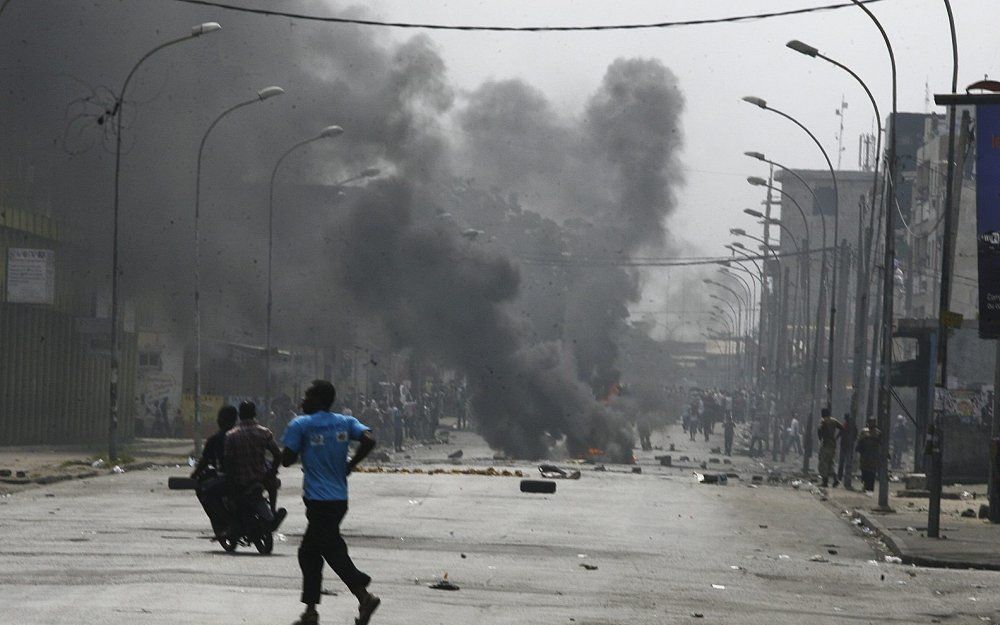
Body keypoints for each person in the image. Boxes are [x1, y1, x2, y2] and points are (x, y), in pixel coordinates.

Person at [282, 380, 380, 625]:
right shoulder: (345, 421)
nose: (303, 400)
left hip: (318, 501)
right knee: (313, 552)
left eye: (307, 396)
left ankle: (361, 590)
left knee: (323, 551)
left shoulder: (300, 424)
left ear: (317, 399)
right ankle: (312, 612)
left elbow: (286, 459)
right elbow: (368, 439)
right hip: (338, 499)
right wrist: (350, 464)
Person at [225, 401, 284, 519]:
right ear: (254, 414)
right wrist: (272, 472)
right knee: (273, 485)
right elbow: (277, 455)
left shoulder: (232, 435)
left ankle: (234, 520)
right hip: (261, 478)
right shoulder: (264, 432)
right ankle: (272, 509)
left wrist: (230, 478)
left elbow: (228, 461)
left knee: (228, 498)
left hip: (240, 480)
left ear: (239, 415)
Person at [191, 405, 237, 539]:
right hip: (248, 477)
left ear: (221, 420)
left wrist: (194, 475)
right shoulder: (241, 434)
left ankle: (226, 521)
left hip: (228, 477)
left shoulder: (217, 438)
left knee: (206, 493)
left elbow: (205, 460)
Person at [817, 408, 842, 488]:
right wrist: (836, 437)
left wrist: (820, 438)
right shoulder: (834, 421)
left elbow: (820, 430)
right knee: (830, 463)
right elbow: (842, 428)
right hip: (833, 444)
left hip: (826, 443)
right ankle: (835, 480)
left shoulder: (823, 421)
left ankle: (825, 482)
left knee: (823, 463)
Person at [856, 418, 882, 492]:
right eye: (870, 422)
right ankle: (865, 484)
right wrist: (858, 448)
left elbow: (881, 443)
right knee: (864, 470)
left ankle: (870, 487)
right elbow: (860, 441)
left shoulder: (878, 433)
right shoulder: (864, 431)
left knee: (872, 472)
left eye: (873, 422)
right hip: (865, 454)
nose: (872, 424)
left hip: (873, 455)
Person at [837, 414, 857, 484]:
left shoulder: (849, 425)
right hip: (846, 445)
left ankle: (841, 476)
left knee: (844, 462)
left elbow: (840, 432)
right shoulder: (848, 425)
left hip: (846, 446)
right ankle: (841, 476)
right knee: (844, 462)